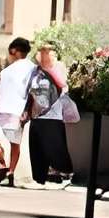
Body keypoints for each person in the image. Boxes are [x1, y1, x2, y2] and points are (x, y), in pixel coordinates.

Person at [0, 36, 36, 187]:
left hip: (16, 111)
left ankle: (10, 173)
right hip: (4, 110)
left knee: (12, 142)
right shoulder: (7, 71)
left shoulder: (31, 68)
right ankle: (4, 167)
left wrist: (27, 110)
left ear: (13, 50)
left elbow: (32, 91)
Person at [26, 46, 77, 188]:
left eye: (46, 52)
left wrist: (48, 70)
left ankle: (65, 174)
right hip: (36, 116)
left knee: (55, 148)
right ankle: (39, 178)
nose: (43, 55)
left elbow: (62, 85)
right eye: (41, 52)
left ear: (53, 54)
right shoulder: (35, 71)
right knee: (37, 150)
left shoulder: (58, 67)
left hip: (51, 117)